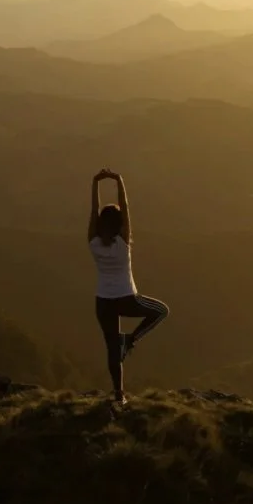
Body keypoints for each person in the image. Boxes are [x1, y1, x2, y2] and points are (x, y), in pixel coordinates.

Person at [88, 168, 169, 406]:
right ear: (120, 224)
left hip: (102, 302)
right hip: (125, 298)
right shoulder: (123, 243)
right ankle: (131, 340)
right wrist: (119, 180)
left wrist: (95, 183)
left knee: (111, 348)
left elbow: (93, 211)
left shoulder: (93, 242)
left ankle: (118, 394)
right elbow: (126, 207)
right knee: (161, 311)